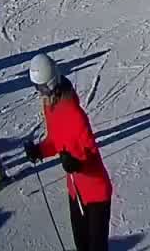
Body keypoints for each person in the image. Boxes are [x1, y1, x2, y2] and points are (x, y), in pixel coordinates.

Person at [23, 53, 112, 251]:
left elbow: (91, 152)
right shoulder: (50, 108)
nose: (40, 93)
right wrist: (39, 150)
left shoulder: (75, 114)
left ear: (53, 83)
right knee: (81, 245)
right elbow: (55, 141)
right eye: (37, 87)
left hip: (96, 192)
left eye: (43, 87)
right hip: (76, 192)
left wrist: (78, 163)